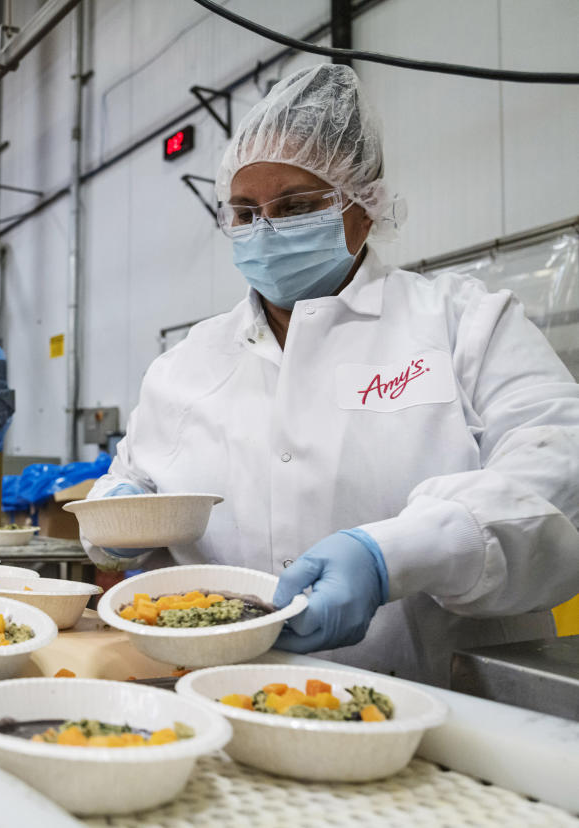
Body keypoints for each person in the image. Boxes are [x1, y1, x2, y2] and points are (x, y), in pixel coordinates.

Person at [86, 64, 579, 686]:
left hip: (443, 709)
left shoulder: (465, 325)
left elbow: (559, 472)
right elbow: (130, 482)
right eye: (244, 211)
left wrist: (392, 558)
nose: (265, 229)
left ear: (364, 207)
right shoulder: (185, 364)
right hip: (223, 698)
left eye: (295, 205)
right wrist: (114, 520)